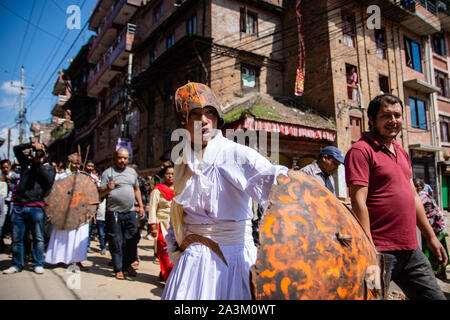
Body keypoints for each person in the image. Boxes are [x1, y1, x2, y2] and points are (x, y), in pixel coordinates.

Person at [161, 82, 288, 300]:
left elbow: (279, 188)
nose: (203, 120)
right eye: (194, 114)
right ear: (183, 122)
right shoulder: (182, 162)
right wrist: (175, 244)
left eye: (209, 112)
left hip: (233, 261)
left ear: (217, 118)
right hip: (191, 263)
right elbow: (180, 214)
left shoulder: (236, 154)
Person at [344, 93, 448, 300]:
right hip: (377, 254)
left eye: (397, 116)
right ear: (372, 120)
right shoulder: (360, 151)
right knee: (371, 298)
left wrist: (431, 237)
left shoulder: (401, 152)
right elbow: (358, 201)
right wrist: (368, 250)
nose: (393, 121)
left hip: (411, 252)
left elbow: (414, 198)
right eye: (386, 116)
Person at [3, 141, 56, 274]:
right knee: (17, 238)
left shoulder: (49, 168)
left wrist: (39, 162)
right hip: (19, 205)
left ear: (46, 154)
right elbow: (16, 149)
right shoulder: (26, 164)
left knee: (38, 237)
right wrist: (31, 145)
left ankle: (38, 263)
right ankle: (17, 264)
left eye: (42, 149)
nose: (39, 151)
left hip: (36, 206)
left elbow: (48, 180)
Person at [99, 148, 145, 280]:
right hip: (114, 213)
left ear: (128, 159)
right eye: (120, 158)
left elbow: (136, 189)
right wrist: (107, 189)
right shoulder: (108, 173)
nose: (122, 161)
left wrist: (141, 206)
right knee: (116, 241)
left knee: (133, 238)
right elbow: (100, 194)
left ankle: (127, 264)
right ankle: (118, 268)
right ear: (115, 158)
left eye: (125, 158)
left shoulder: (132, 172)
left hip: (130, 211)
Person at [44, 153, 90, 271]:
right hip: (64, 212)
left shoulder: (84, 177)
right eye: (74, 163)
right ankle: (61, 259)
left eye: (78, 163)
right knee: (63, 236)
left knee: (79, 236)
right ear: (68, 163)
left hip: (79, 211)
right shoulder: (61, 177)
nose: (76, 166)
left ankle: (77, 261)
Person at [413, 178, 449, 279]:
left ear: (422, 187)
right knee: (429, 249)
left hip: (434, 227)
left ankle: (440, 271)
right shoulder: (419, 196)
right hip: (429, 226)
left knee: (436, 249)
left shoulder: (422, 197)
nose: (416, 187)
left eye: (418, 185)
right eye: (414, 185)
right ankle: (434, 271)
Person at [148, 165, 175, 281]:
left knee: (175, 252)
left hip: (176, 225)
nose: (170, 176)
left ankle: (171, 275)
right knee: (164, 251)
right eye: (168, 174)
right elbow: (153, 208)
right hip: (162, 224)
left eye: (173, 174)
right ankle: (168, 277)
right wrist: (153, 225)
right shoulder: (157, 190)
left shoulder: (180, 189)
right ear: (163, 175)